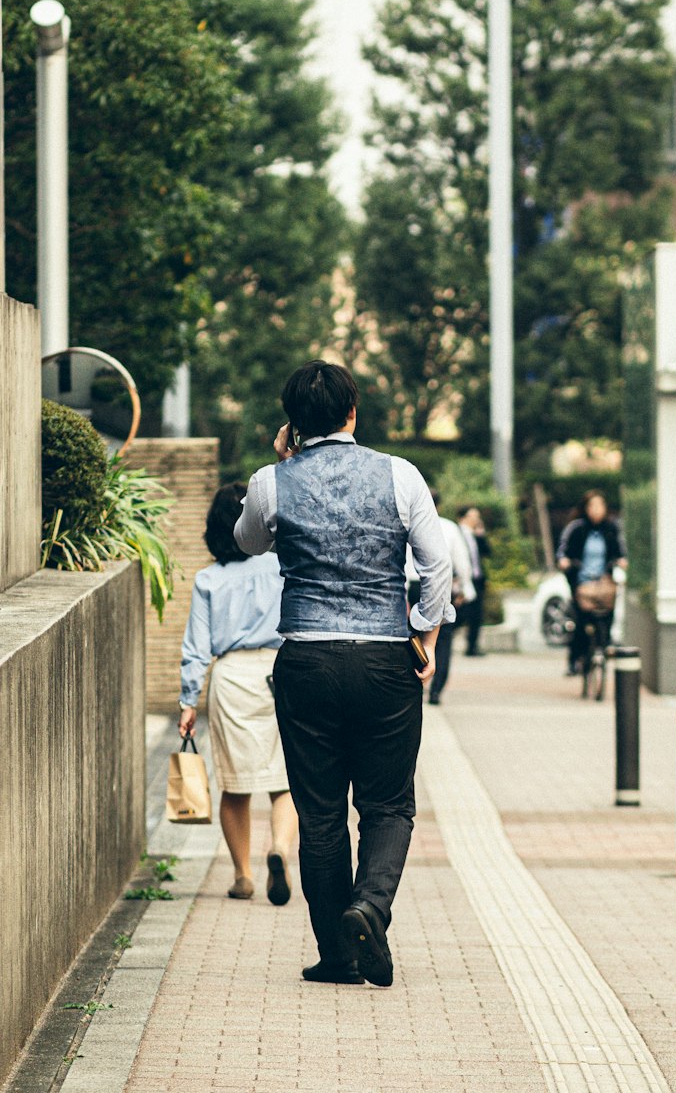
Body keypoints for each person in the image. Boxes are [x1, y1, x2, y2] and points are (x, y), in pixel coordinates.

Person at [235, 360, 452, 988]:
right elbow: (436, 566)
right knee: (388, 804)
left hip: (306, 659)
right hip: (386, 656)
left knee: (320, 813)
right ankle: (370, 908)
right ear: (353, 411)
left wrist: (280, 460)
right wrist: (425, 632)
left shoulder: (271, 481)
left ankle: (338, 953)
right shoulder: (400, 475)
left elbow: (247, 541)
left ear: (291, 423)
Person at [178, 484, 298, 904]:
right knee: (286, 777)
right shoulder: (283, 565)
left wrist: (187, 701)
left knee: (235, 782)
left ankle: (243, 875)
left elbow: (196, 647)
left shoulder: (209, 579)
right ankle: (279, 849)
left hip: (231, 677)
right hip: (283, 670)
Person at [556, 490, 627, 676]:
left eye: (600, 506)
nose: (596, 510)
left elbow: (620, 551)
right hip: (581, 582)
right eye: (592, 506)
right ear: (585, 508)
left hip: (604, 582)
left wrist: (620, 561)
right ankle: (575, 659)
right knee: (580, 621)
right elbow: (563, 552)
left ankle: (605, 644)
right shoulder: (576, 528)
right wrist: (565, 562)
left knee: (608, 611)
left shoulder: (611, 528)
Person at [427, 491, 475, 706]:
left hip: (413, 587)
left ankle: (414, 685)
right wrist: (465, 588)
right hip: (442, 588)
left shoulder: (405, 524)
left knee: (410, 639)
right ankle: (436, 690)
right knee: (443, 640)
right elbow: (462, 562)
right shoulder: (448, 527)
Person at [457, 506, 490, 656]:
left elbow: (487, 553)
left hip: (477, 579)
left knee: (477, 615)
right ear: (464, 517)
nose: (477, 519)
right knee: (460, 613)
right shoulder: (456, 533)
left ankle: (472, 647)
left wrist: (481, 535)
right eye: (473, 516)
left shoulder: (475, 535)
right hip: (463, 580)